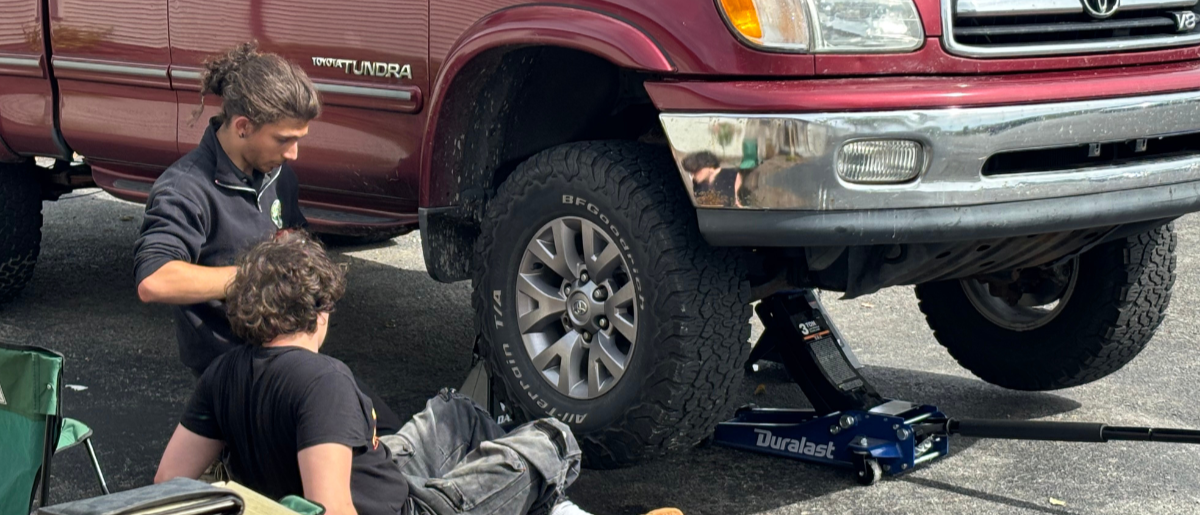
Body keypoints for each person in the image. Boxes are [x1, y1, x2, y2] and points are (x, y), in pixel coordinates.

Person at [153, 233, 597, 515]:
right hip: (405, 508)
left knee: (455, 412)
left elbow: (168, 481)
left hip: (384, 478)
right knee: (552, 439)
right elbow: (329, 506)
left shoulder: (222, 371)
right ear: (319, 311)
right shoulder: (324, 381)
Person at [132, 42, 400, 430]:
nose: (293, 153)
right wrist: (255, 276)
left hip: (290, 352)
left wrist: (316, 308)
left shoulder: (277, 174)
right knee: (350, 446)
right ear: (243, 126)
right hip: (233, 368)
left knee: (383, 430)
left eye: (299, 139)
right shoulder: (185, 189)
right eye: (284, 139)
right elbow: (154, 281)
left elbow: (298, 247)